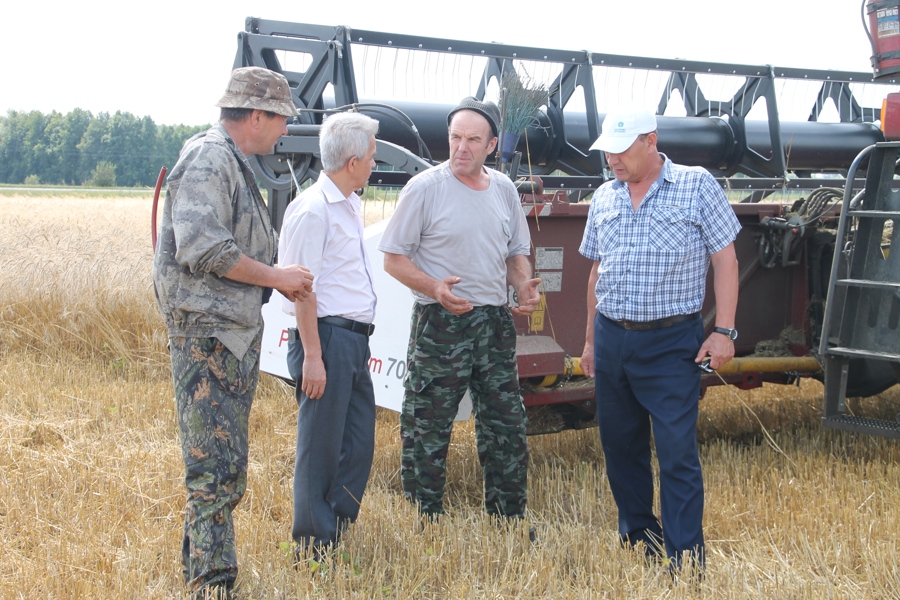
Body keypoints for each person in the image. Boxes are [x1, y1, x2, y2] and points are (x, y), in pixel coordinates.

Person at [152, 66, 314, 599]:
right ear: (257, 115)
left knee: (220, 468)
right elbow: (204, 249)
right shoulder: (209, 158)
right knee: (214, 473)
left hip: (227, 336)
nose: (283, 131)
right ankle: (213, 586)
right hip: (209, 340)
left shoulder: (232, 161)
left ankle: (200, 572)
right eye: (280, 119)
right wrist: (279, 279)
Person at [579, 107, 740, 575]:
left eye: (622, 148)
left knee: (676, 453)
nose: (612, 158)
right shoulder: (604, 197)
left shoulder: (695, 185)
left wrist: (725, 330)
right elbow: (596, 270)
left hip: (672, 344)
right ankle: (639, 539)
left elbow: (725, 259)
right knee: (620, 446)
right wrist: (590, 340)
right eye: (607, 149)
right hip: (612, 339)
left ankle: (685, 559)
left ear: (650, 141)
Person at [378, 96, 541, 523]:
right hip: (441, 322)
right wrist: (434, 286)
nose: (461, 148)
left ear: (491, 145)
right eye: (454, 138)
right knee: (427, 426)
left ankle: (508, 517)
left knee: (506, 424)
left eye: (472, 139)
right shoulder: (425, 189)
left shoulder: (504, 189)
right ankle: (424, 517)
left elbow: (516, 253)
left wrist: (523, 284)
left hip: (494, 323)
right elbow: (393, 258)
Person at [278, 112, 379, 562]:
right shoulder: (313, 211)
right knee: (319, 447)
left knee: (358, 444)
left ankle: (335, 523)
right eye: (373, 156)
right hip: (326, 340)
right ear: (353, 161)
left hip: (353, 341)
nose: (375, 164)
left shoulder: (348, 203)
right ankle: (314, 546)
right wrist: (313, 356)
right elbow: (301, 288)